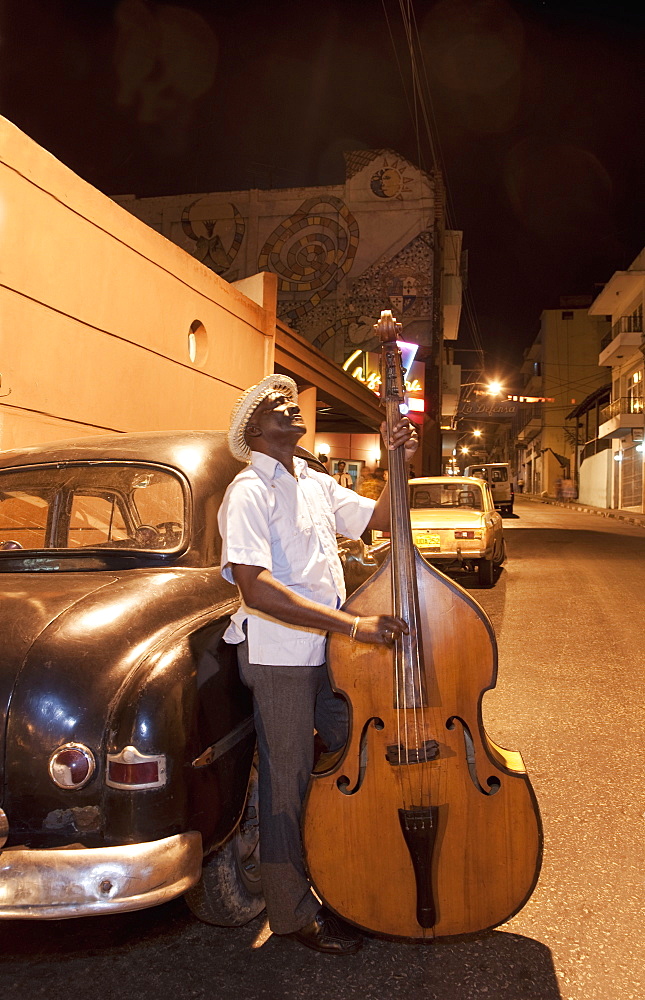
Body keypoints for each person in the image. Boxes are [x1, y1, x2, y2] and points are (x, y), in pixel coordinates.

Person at [218, 373, 417, 955]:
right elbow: (257, 589)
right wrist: (354, 626)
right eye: (275, 404)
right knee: (289, 780)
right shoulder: (248, 491)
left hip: (326, 649)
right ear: (255, 429)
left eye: (291, 399)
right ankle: (290, 912)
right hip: (279, 654)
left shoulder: (311, 480)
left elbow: (380, 519)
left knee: (356, 753)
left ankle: (344, 882)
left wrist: (396, 452)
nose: (290, 406)